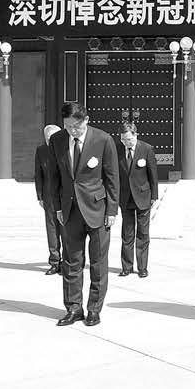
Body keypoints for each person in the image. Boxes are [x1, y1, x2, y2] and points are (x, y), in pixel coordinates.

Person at [46, 102, 119, 327]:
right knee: (71, 262)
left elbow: (112, 177)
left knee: (98, 263)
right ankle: (73, 308)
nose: (72, 131)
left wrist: (112, 210)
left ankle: (94, 309)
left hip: (97, 209)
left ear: (86, 120)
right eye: (68, 126)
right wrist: (58, 208)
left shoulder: (103, 139)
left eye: (76, 126)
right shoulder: (57, 140)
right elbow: (54, 177)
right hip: (69, 210)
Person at [117, 122, 159, 278]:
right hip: (125, 197)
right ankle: (126, 267)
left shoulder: (146, 149)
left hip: (143, 196)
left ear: (135, 135)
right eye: (123, 139)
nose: (126, 142)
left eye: (128, 139)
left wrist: (154, 196)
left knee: (143, 234)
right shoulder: (117, 149)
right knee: (127, 234)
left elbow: (153, 174)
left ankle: (142, 267)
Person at [34, 124, 64, 275]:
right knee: (52, 229)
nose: (50, 141)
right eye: (48, 138)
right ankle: (54, 261)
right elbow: (38, 174)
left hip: (66, 196)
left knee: (67, 230)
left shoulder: (67, 148)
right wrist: (40, 196)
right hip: (49, 196)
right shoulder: (41, 150)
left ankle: (68, 261)